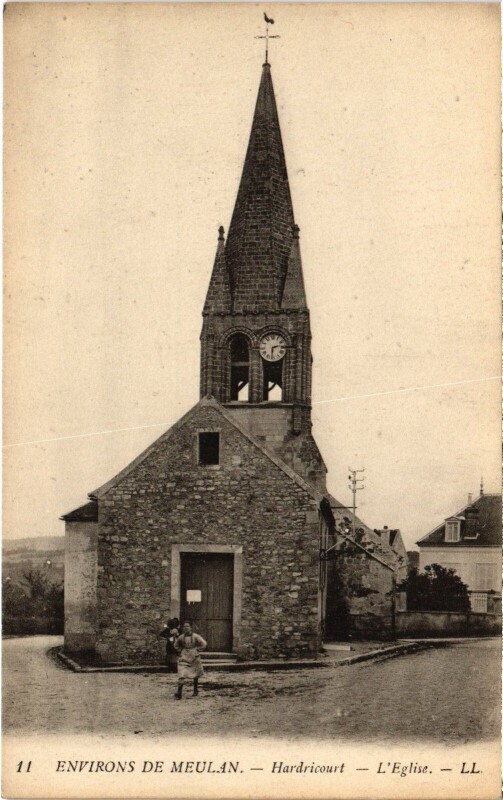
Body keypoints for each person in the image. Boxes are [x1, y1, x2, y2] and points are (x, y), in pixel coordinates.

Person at [174, 621, 207, 699]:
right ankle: (179, 692)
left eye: (187, 626)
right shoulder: (181, 637)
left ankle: (195, 690)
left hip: (194, 656)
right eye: (184, 627)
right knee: (181, 674)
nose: (186, 628)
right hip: (184, 656)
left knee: (195, 674)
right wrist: (180, 651)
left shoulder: (196, 636)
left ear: (191, 628)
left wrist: (197, 650)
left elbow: (204, 644)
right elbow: (176, 645)